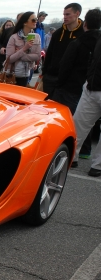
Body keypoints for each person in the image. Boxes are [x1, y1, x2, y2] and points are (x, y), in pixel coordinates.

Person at [71, 33, 101, 175]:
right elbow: (94, 59)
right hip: (92, 86)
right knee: (78, 123)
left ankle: (98, 165)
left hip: (94, 85)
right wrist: (89, 78)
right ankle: (72, 156)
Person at [43, 3, 84, 99]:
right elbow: (50, 54)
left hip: (72, 81)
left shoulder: (83, 34)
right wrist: (44, 73)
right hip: (52, 77)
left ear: (77, 13)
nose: (65, 17)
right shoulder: (58, 33)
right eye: (64, 14)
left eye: (68, 14)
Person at [6, 11, 42, 87]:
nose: (36, 21)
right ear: (25, 23)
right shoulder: (14, 37)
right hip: (13, 73)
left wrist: (20, 55)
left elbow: (37, 56)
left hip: (26, 73)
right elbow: (9, 59)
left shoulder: (37, 37)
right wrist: (24, 48)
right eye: (33, 20)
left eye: (36, 19)